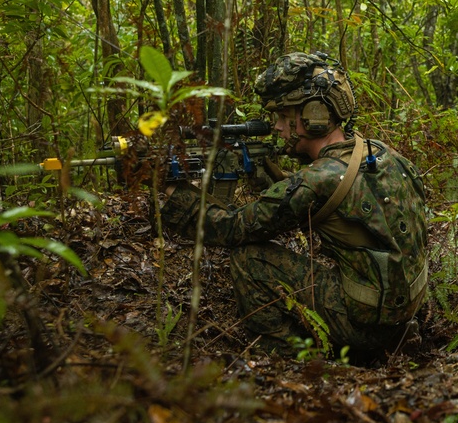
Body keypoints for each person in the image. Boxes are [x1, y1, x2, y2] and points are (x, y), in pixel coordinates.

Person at [160, 52, 429, 360]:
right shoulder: (382, 153)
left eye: (282, 117)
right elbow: (340, 192)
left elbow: (231, 228)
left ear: (313, 116)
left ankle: (290, 358)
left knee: (249, 258)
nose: (276, 127)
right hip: (404, 309)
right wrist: (276, 178)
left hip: (364, 323)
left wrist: (174, 195)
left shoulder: (317, 181)